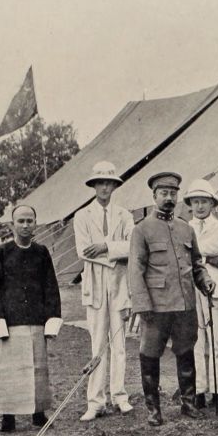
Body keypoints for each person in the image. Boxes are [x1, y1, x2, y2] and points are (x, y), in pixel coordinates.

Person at [128, 172, 215, 426]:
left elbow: (197, 263)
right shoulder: (142, 229)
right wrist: (142, 305)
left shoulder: (185, 228)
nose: (169, 198)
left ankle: (188, 404)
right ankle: (153, 410)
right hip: (156, 306)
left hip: (185, 304)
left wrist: (206, 281)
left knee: (186, 351)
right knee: (150, 355)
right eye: (164, 193)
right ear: (154, 196)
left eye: (173, 193)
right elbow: (135, 269)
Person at [0, 205, 62, 432]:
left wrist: (51, 318)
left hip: (36, 319)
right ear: (12, 225)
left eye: (30, 221)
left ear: (35, 223)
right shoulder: (2, 253)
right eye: (21, 221)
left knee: (37, 366)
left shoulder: (42, 252)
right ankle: (8, 416)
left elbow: (51, 286)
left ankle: (38, 413)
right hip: (11, 321)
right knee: (10, 370)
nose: (26, 225)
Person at [73, 161, 135, 421]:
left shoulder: (125, 215)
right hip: (96, 284)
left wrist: (106, 247)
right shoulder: (82, 216)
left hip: (119, 283)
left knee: (119, 342)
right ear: (94, 186)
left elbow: (132, 247)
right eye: (100, 183)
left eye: (109, 183)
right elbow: (83, 251)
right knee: (98, 342)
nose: (105, 187)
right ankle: (95, 401)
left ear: (115, 186)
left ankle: (120, 396)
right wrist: (112, 251)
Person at [184, 179, 218, 409]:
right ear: (190, 204)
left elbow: (210, 249)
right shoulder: (184, 227)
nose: (200, 206)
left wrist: (197, 255)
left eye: (204, 201)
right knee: (197, 341)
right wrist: (204, 258)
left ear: (212, 204)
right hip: (192, 288)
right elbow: (184, 254)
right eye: (196, 202)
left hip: (217, 288)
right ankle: (200, 389)